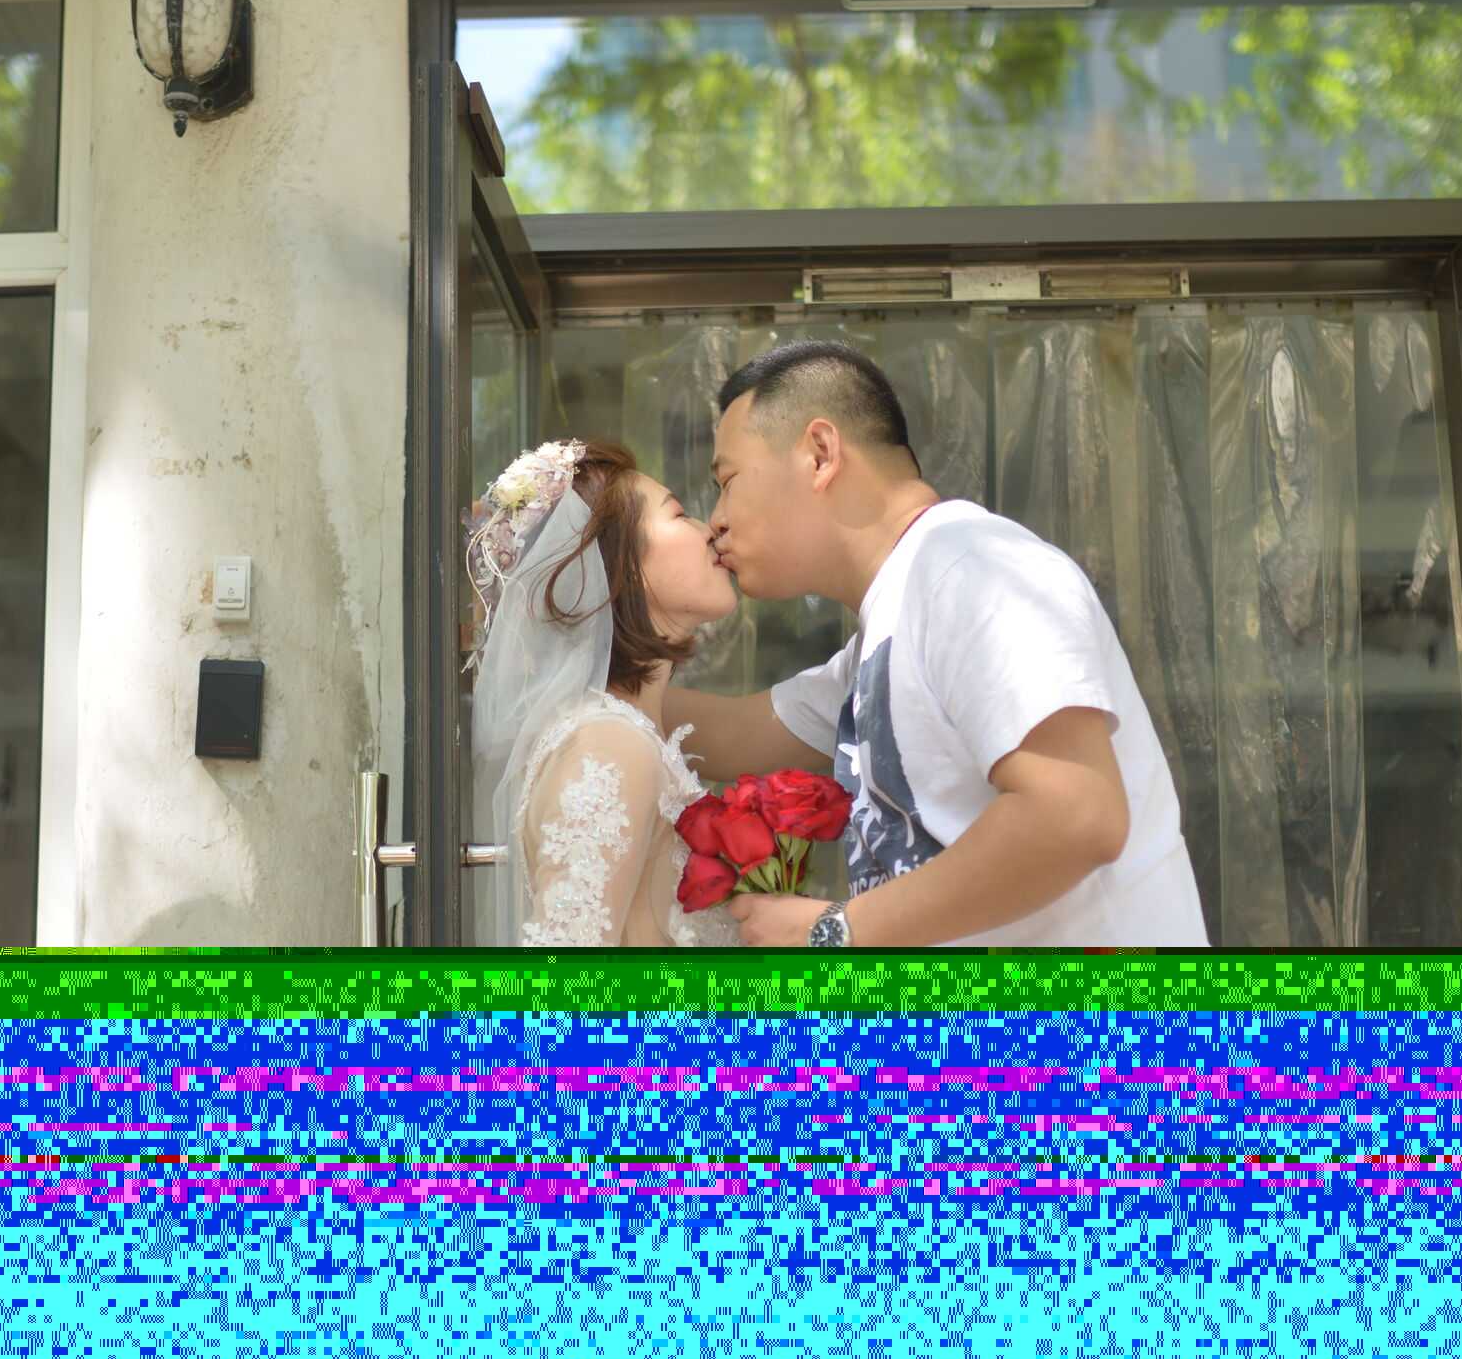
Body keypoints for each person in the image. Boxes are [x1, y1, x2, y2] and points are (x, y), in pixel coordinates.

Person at [667, 341, 1209, 950]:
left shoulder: (972, 569)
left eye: (728, 481)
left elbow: (1076, 815)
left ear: (820, 454)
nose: (716, 519)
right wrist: (602, 653)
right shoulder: (896, 612)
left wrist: (836, 930)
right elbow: (731, 734)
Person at [465, 437, 742, 946]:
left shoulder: (617, 734)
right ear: (621, 567)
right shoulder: (611, 747)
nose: (709, 530)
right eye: (679, 514)